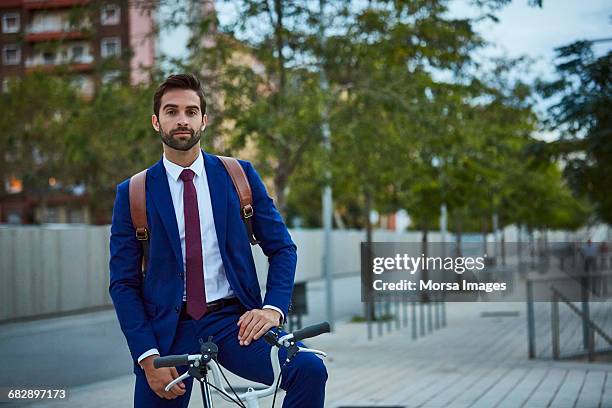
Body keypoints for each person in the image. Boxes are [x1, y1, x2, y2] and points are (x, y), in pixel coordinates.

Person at [109, 73, 327, 407]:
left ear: (204, 120)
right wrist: (146, 355)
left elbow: (282, 248)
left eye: (191, 111)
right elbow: (123, 283)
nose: (182, 120)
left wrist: (272, 309)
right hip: (168, 330)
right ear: (156, 121)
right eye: (171, 111)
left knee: (309, 368)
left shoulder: (239, 176)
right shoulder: (133, 192)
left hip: (233, 322)